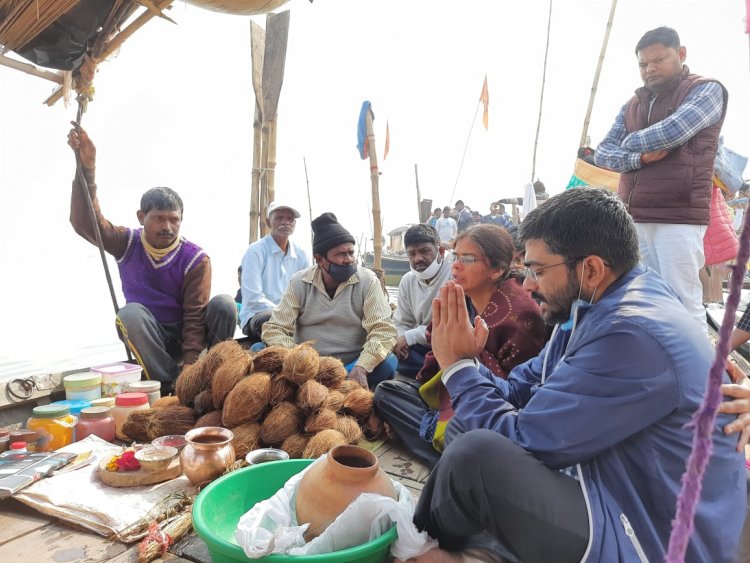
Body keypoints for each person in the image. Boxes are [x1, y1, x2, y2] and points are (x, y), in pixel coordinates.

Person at [401, 188, 746, 563]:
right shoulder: (591, 305)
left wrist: (456, 367)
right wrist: (468, 362)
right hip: (613, 483)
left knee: (473, 458)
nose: (528, 284)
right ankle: (447, 544)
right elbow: (520, 386)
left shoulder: (629, 333)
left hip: (652, 534)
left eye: (537, 270)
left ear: (591, 268)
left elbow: (527, 440)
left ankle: (416, 547)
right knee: (461, 429)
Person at [67, 125, 237, 385]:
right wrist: (87, 169)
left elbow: (195, 316)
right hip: (151, 338)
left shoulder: (195, 259)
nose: (167, 227)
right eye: (158, 218)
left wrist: (191, 366)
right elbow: (85, 222)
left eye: (174, 220)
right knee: (130, 314)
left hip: (187, 336)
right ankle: (167, 384)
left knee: (224, 304)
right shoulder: (127, 241)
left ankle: (212, 377)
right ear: (141, 217)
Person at [375, 224, 546, 467]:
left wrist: (467, 360)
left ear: (496, 270)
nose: (455, 265)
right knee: (387, 392)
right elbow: (436, 346)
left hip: (493, 411)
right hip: (454, 390)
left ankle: (452, 456)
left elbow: (517, 397)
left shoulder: (520, 315)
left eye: (468, 259)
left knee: (463, 430)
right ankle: (450, 446)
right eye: (456, 257)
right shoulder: (458, 296)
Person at [594, 26, 728, 329]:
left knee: (682, 302)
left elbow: (673, 132)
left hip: (678, 215)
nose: (650, 69)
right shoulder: (632, 104)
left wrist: (627, 142)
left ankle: (696, 375)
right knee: (642, 299)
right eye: (643, 64)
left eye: (659, 59)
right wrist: (637, 157)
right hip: (633, 216)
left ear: (681, 54)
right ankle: (656, 369)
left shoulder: (706, 90)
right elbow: (601, 153)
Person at [262, 212, 397, 389]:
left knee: (388, 363)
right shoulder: (299, 282)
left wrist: (362, 366)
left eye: (351, 253)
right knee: (260, 349)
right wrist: (301, 358)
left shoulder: (368, 281)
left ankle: (342, 381)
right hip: (308, 366)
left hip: (351, 365)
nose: (349, 259)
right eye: (341, 254)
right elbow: (275, 328)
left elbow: (384, 330)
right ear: (320, 259)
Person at [239, 202, 310, 341]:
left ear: (294, 224)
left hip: (292, 318)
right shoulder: (255, 251)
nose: (285, 222)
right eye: (279, 217)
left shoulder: (301, 254)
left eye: (290, 219)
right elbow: (253, 298)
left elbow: (307, 293)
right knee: (270, 316)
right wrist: (285, 313)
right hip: (258, 316)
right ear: (268, 222)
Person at [392, 224, 453, 377]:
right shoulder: (407, 280)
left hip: (449, 346)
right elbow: (402, 321)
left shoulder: (453, 275)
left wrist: (409, 337)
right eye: (412, 254)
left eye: (424, 251)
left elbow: (449, 326)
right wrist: (401, 339)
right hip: (421, 347)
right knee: (391, 356)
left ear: (440, 251)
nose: (418, 258)